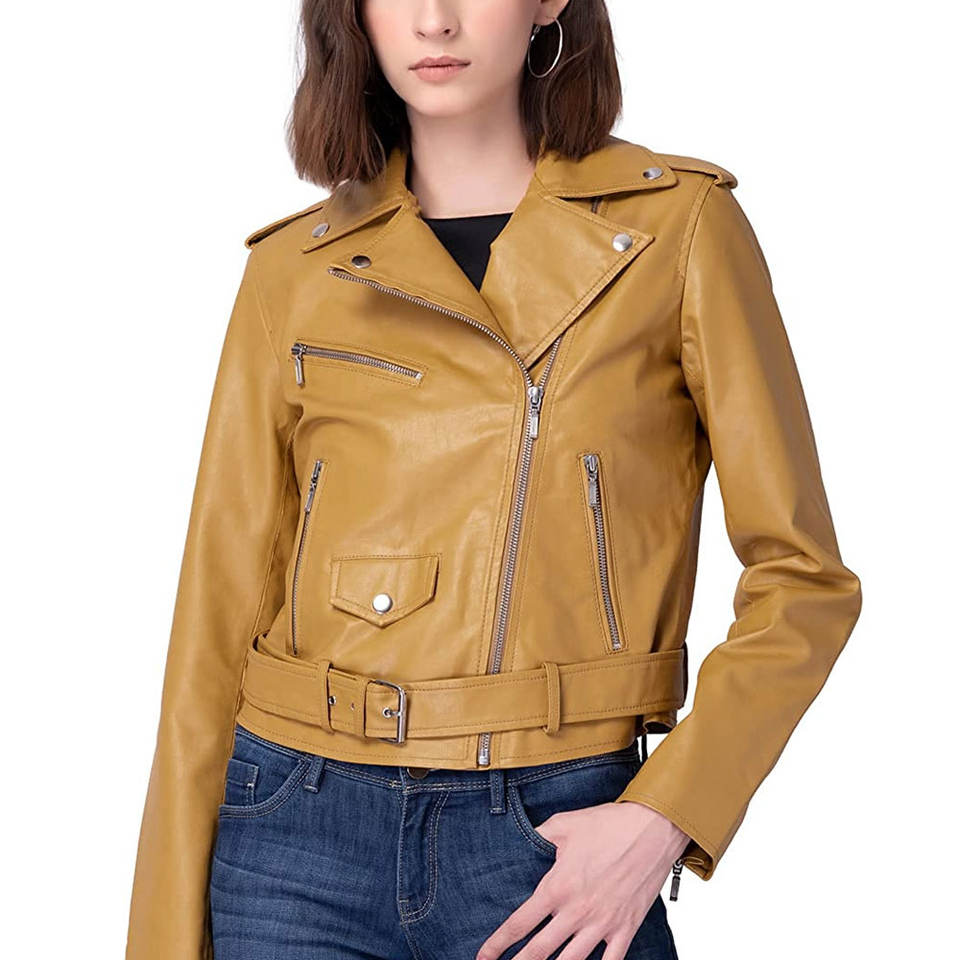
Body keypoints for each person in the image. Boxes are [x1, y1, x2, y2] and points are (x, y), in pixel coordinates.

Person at [124, 2, 863, 959]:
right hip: (294, 834)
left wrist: (666, 816)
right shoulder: (293, 270)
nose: (434, 20)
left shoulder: (678, 230)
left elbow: (803, 583)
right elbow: (215, 618)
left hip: (555, 835)